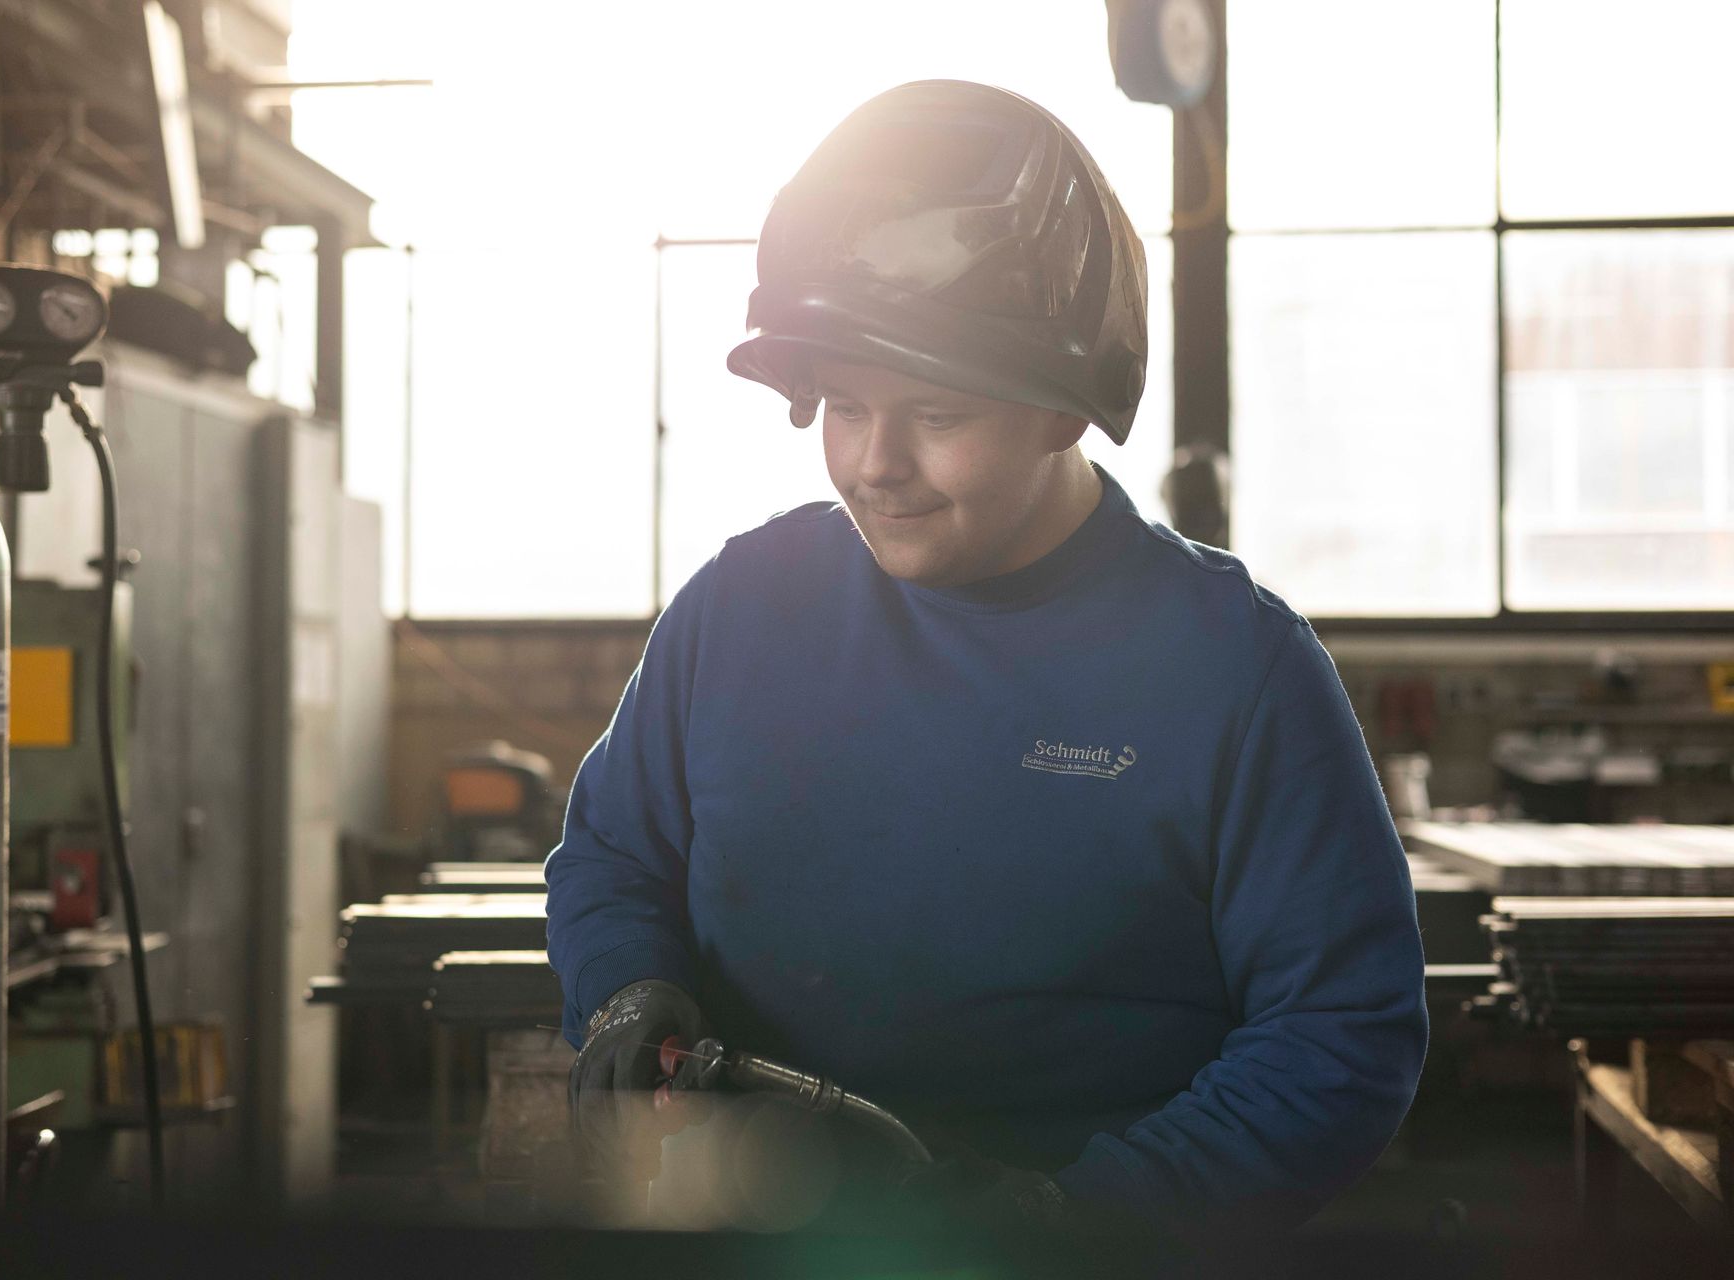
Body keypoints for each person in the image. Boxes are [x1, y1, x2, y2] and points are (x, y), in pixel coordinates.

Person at [546, 79, 1427, 1242]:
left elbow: (1339, 1031)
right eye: (844, 407)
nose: (875, 464)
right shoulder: (742, 607)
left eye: (938, 414)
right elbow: (612, 850)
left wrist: (1081, 1219)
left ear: (1066, 406)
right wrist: (626, 982)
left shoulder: (1233, 667)